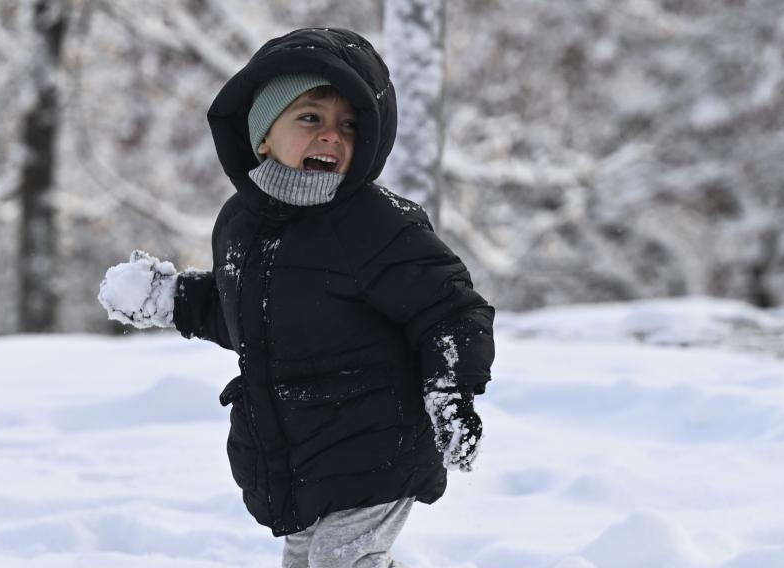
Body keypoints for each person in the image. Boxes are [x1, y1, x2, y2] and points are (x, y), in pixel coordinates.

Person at [97, 27, 495, 568]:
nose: (332, 136)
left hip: (378, 442)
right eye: (311, 118)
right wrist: (173, 299)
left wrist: (450, 391)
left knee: (342, 559)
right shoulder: (241, 222)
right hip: (306, 452)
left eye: (349, 125)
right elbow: (246, 314)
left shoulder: (376, 225)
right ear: (263, 133)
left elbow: (450, 308)